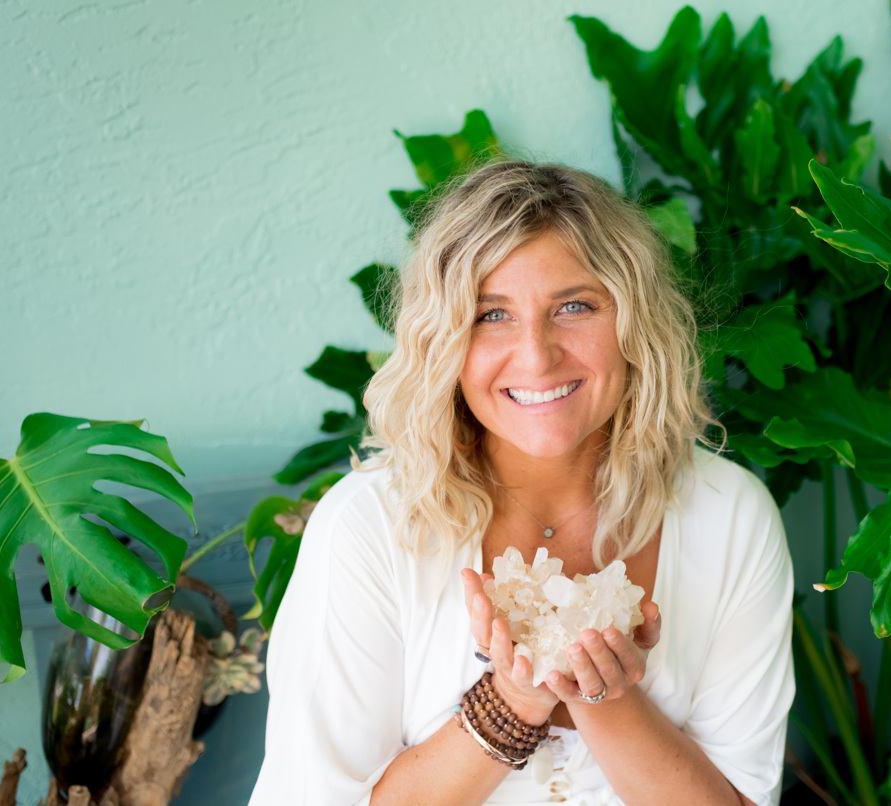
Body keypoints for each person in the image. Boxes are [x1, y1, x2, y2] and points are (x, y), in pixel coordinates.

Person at [249, 161, 794, 806]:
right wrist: (512, 701)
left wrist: (606, 700)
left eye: (574, 306)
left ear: (635, 325)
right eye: (491, 315)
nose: (536, 355)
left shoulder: (729, 515)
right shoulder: (367, 527)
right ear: (442, 339)